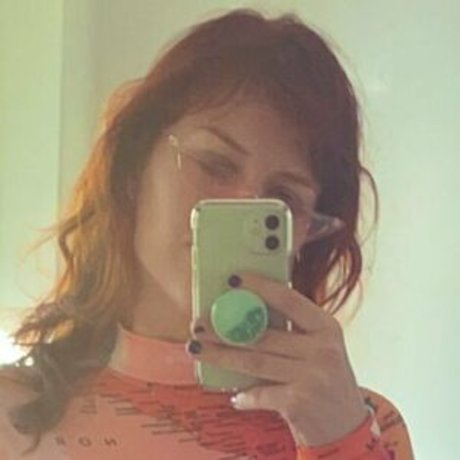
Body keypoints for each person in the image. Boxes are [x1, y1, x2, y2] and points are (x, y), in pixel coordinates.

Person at [0, 8, 415, 459]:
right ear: (134, 171)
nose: (243, 204)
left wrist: (342, 443)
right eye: (214, 164)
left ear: (305, 237)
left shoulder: (364, 427)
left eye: (282, 198)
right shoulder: (12, 415)